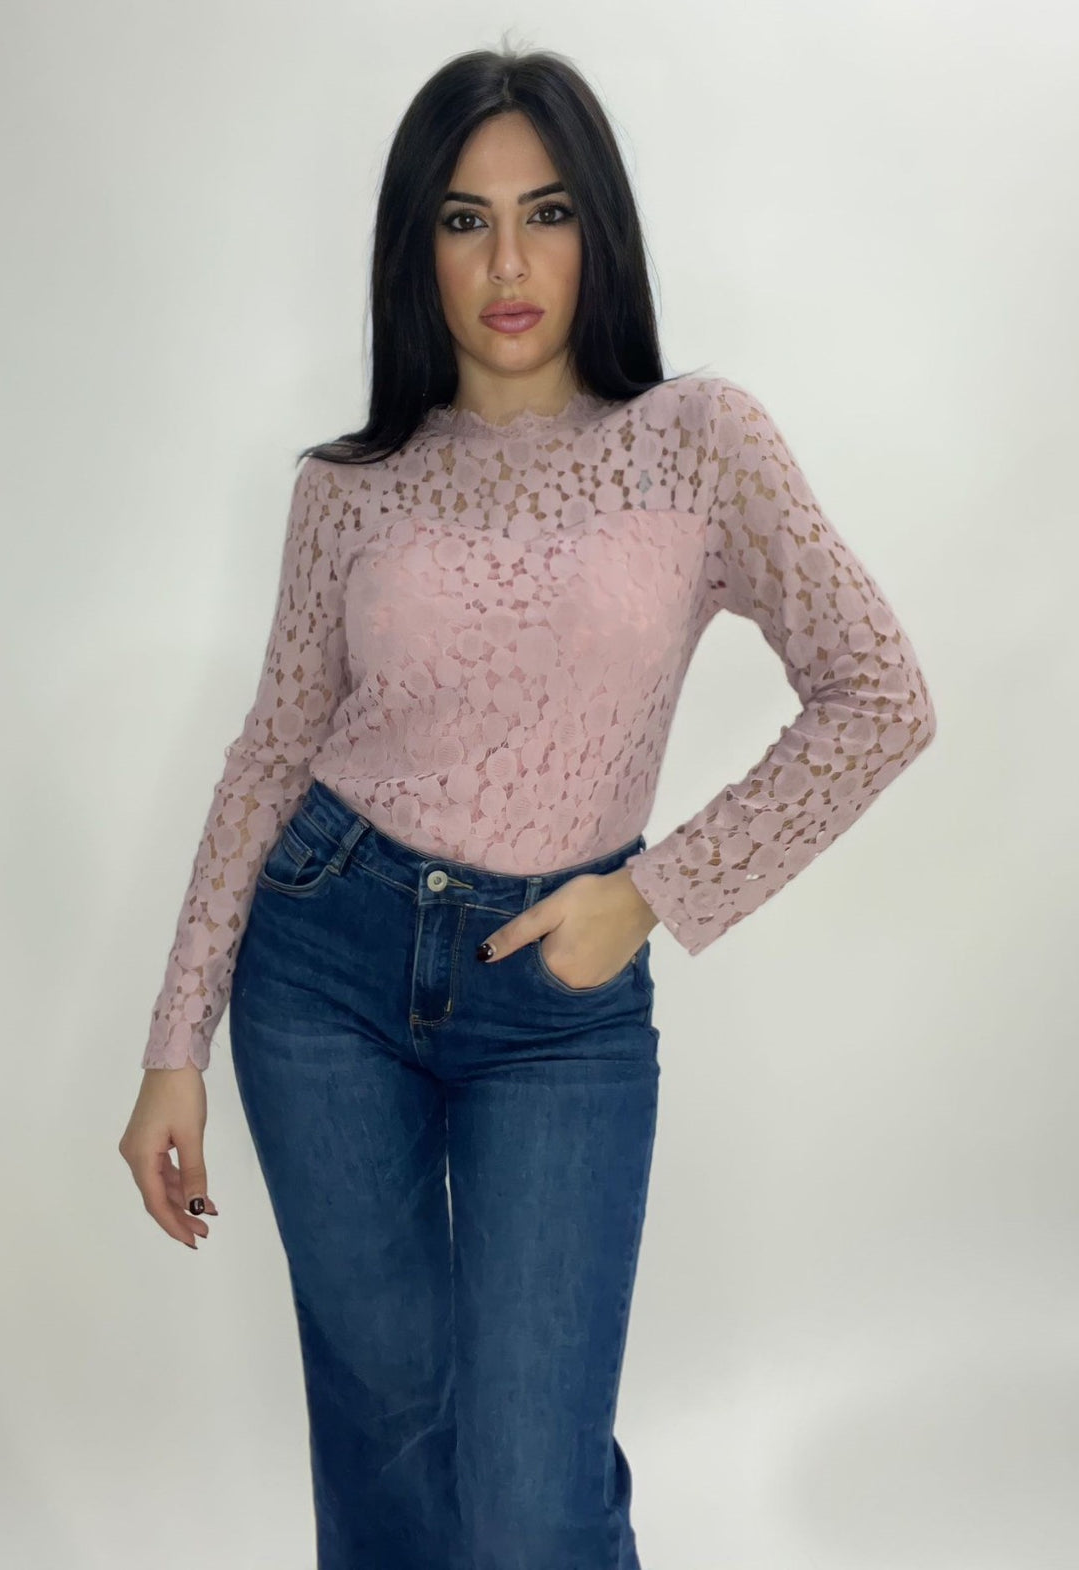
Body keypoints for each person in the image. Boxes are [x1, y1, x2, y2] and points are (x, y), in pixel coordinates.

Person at [118, 43, 936, 1570]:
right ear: (414, 247)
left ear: (597, 230)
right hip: (324, 971)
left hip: (560, 1003)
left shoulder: (697, 442)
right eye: (465, 219)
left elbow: (882, 693)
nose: (508, 263)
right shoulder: (347, 488)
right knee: (391, 1444)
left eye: (546, 214)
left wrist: (656, 892)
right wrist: (176, 1043)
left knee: (528, 1503)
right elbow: (270, 754)